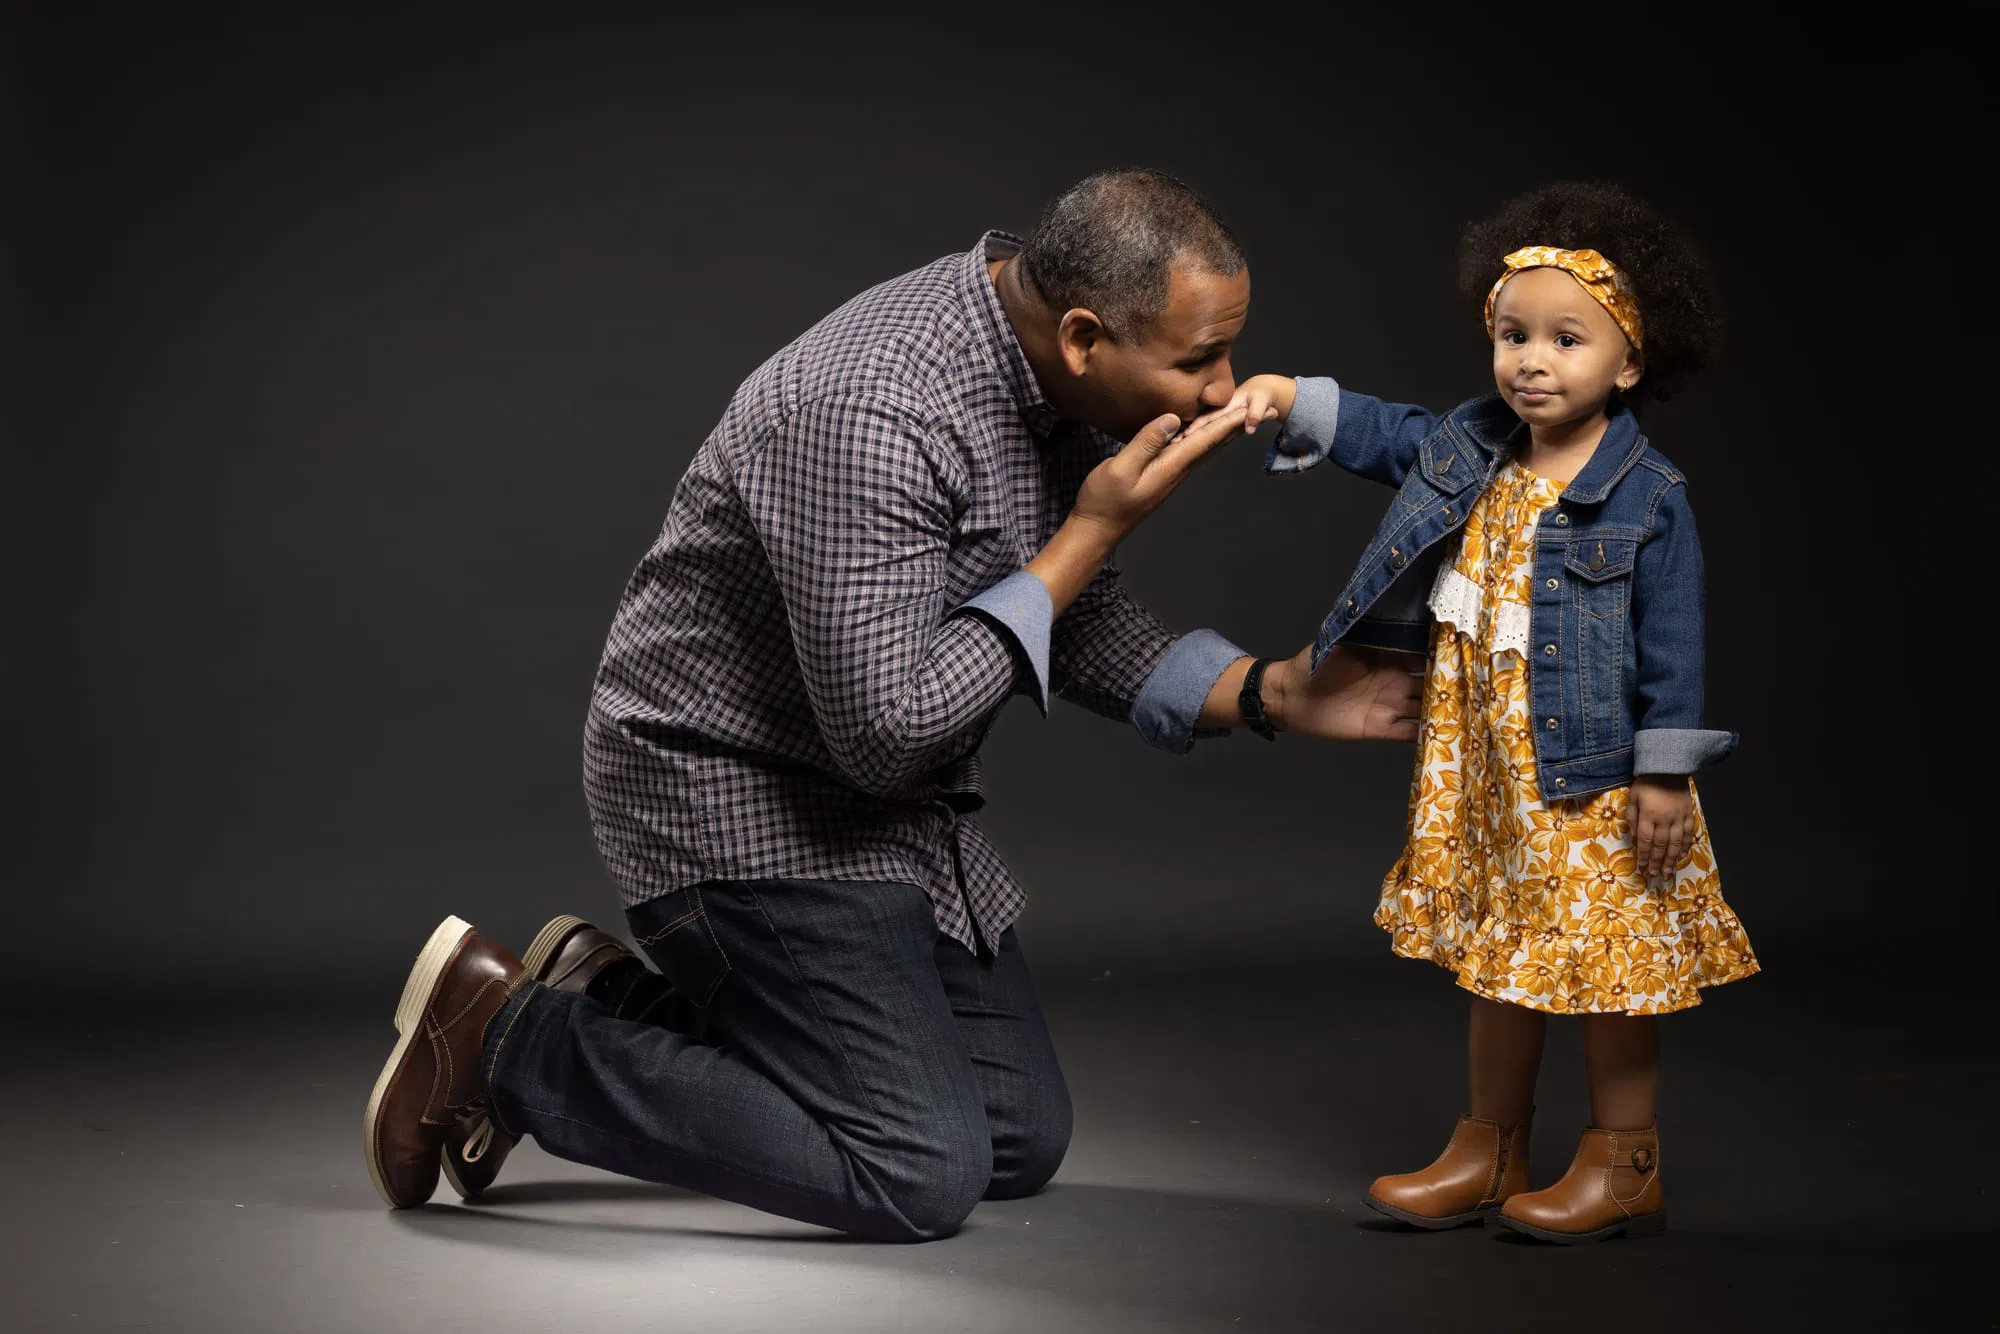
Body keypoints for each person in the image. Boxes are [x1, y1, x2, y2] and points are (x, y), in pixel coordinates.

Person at [362, 168, 1423, 1240]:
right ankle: (499, 1037)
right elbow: (888, 732)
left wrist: (1270, 692)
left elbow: (1062, 606)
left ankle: (614, 1002)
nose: (1223, 389)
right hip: (733, 802)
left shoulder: (1043, 378)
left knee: (1014, 1131)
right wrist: (1089, 532)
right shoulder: (872, 408)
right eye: (1197, 359)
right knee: (915, 1166)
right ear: (1082, 335)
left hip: (877, 811)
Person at [1229, 181, 1758, 1244]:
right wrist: (1295, 396)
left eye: (1566, 339)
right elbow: (1385, 433)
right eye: (1512, 334)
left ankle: (1622, 1161)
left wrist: (1663, 768)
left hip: (1595, 779)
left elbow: (1673, 640)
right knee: (1497, 956)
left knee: (1612, 970)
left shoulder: (1646, 495)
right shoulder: (1473, 449)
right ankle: (1489, 1146)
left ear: (1630, 361)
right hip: (1487, 776)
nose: (1531, 360)